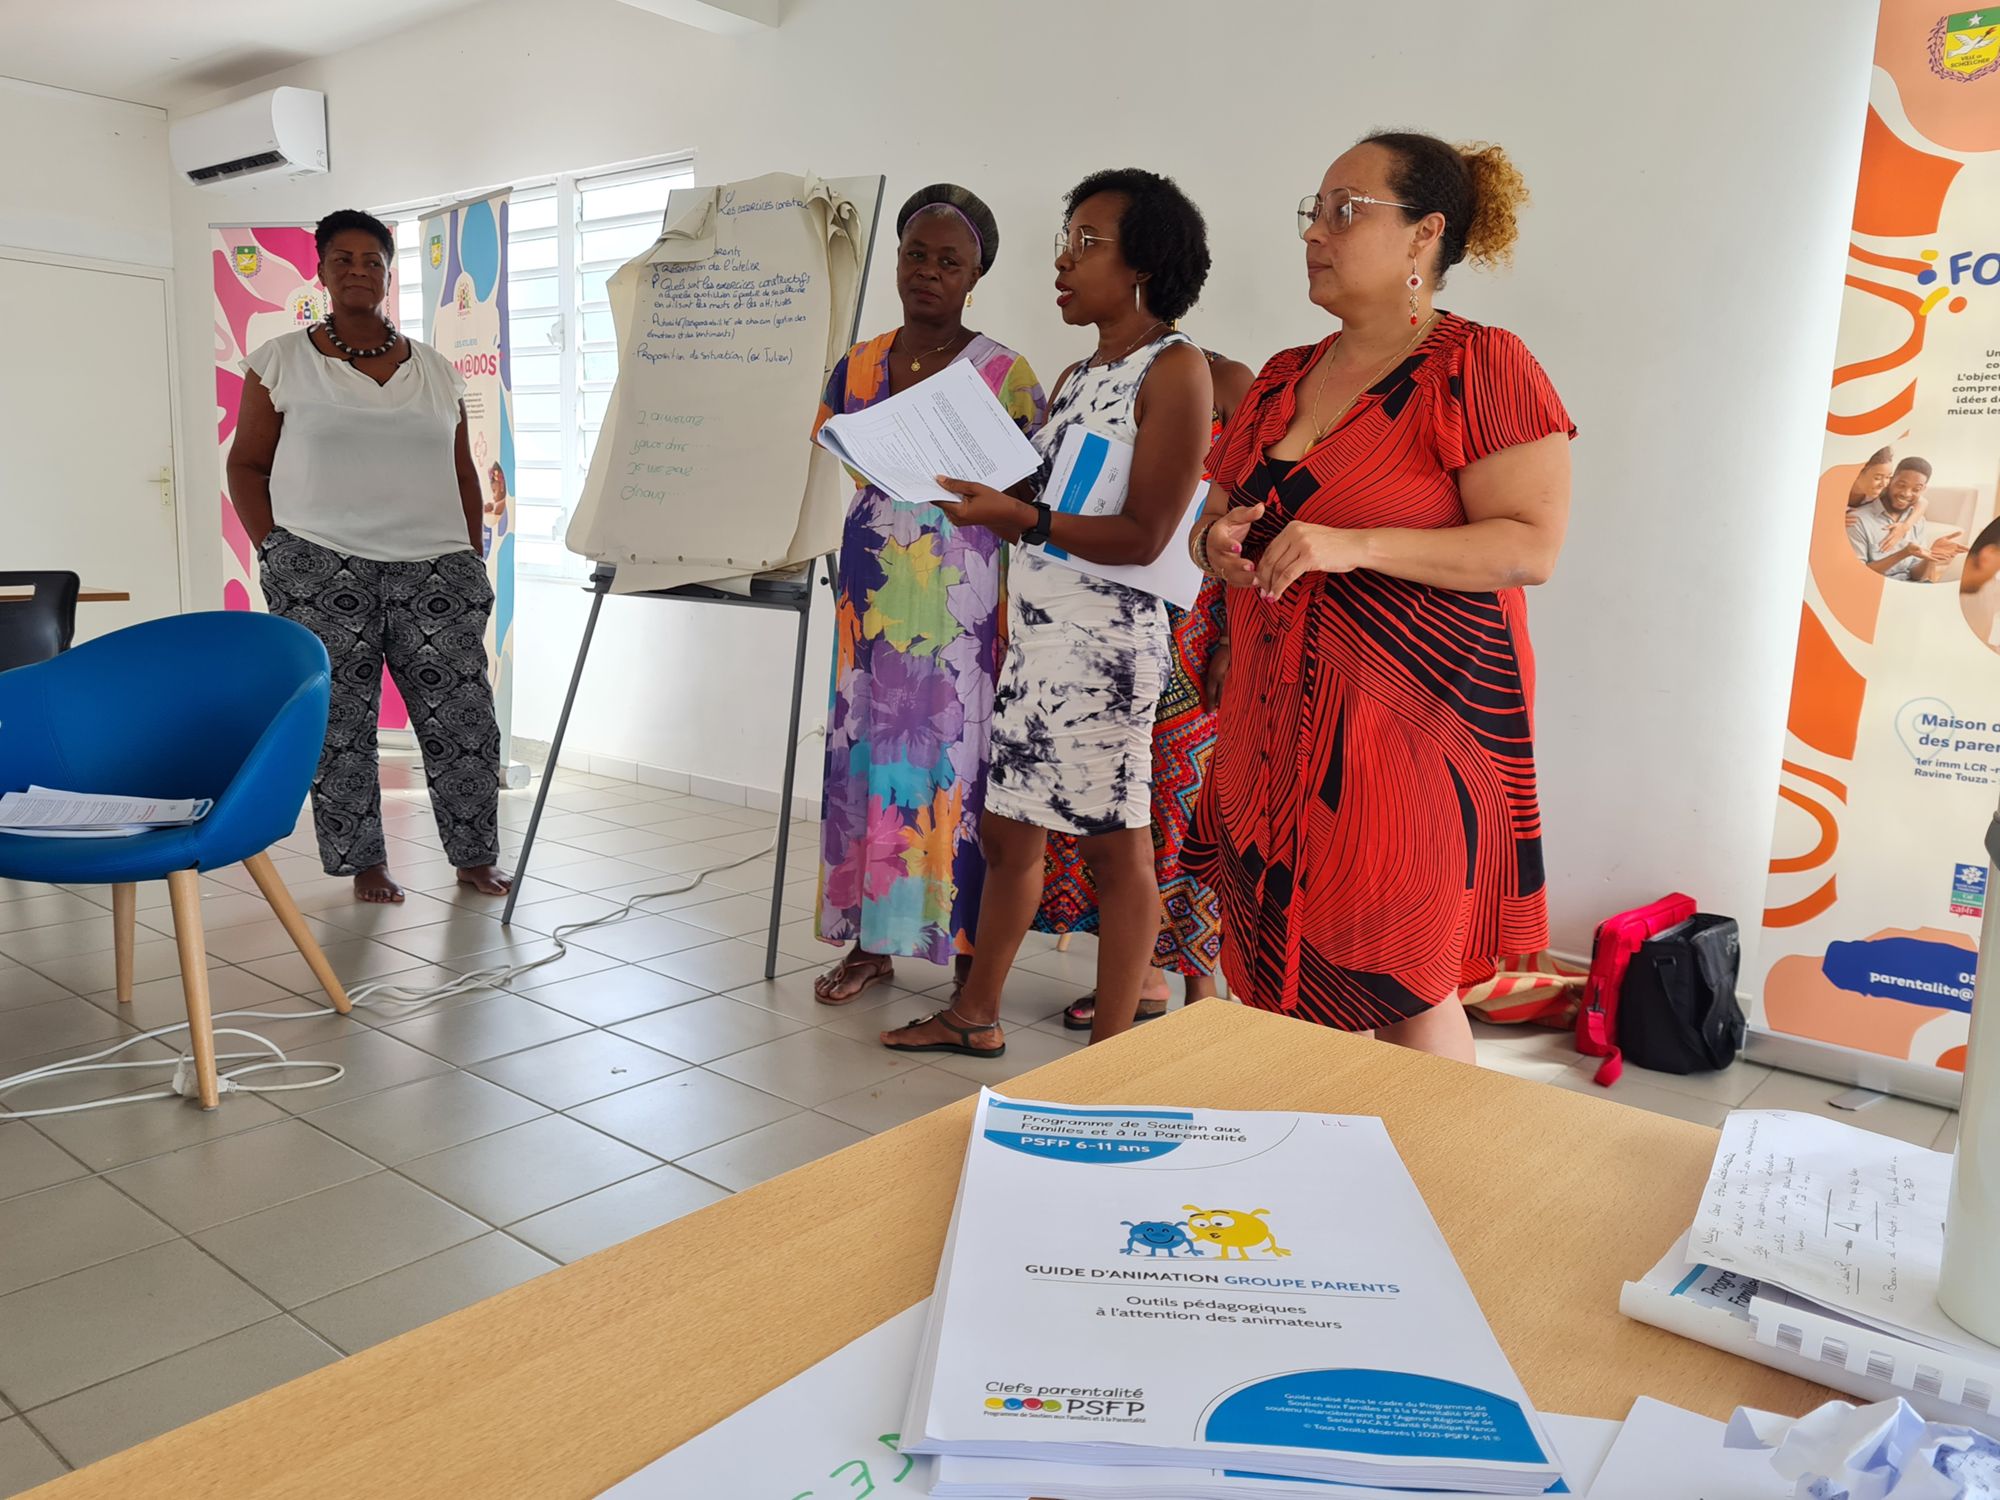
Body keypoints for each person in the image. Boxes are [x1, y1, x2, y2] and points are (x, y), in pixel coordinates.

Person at [1183, 133, 1575, 1064]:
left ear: (1422, 236)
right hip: (1268, 732)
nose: (1316, 233)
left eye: (1344, 211)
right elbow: (1214, 520)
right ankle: (1302, 1179)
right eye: (1313, 212)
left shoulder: (1479, 366)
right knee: (1265, 975)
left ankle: (1438, 1185)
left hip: (1407, 744)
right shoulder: (1281, 376)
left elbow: (1532, 545)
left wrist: (1354, 546)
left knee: (1403, 987)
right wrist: (1220, 546)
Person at [878, 167, 1214, 1055]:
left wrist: (1019, 516)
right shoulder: (1078, 373)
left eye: (1086, 243)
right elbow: (1057, 495)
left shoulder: (1173, 371)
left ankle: (1111, 1056)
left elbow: (1145, 535)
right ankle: (974, 1014)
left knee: (1116, 852)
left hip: (1105, 654)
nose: (1062, 262)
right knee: (1007, 833)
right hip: (1038, 640)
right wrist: (979, 483)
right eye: (1065, 241)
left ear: (1143, 262)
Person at [227, 209, 510, 905]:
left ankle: (474, 857)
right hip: (321, 567)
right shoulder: (279, 362)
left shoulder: (439, 372)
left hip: (435, 566)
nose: (359, 271)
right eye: (343, 259)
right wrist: (279, 553)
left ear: (388, 274)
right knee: (342, 726)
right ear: (321, 271)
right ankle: (365, 865)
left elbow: (465, 475)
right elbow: (247, 467)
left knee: (463, 720)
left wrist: (469, 557)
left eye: (372, 261)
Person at [811, 185, 1046, 1006]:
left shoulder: (1005, 373)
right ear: (898, 261)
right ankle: (870, 944)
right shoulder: (860, 364)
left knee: (958, 773)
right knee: (867, 764)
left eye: (951, 262)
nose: (930, 274)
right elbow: (844, 451)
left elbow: (1027, 493)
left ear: (975, 276)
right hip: (872, 598)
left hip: (961, 606)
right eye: (917, 255)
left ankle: (971, 959)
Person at [1036, 350, 1254, 1029]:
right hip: (1107, 620)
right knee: (1120, 809)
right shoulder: (1089, 376)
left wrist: (1230, 641)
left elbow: (1252, 514)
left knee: (1190, 814)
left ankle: (1204, 993)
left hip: (1195, 636)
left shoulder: (1227, 379)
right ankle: (1143, 980)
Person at [1849, 457, 1961, 581]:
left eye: (1916, 489)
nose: (1906, 493)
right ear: (1890, 482)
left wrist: (1931, 557)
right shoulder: (1857, 519)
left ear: (1923, 490)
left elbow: (1917, 576)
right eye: (1901, 485)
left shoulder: (1917, 520)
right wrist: (1904, 553)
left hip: (1911, 588)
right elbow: (1859, 574)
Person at [483, 461, 509, 558]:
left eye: (494, 491)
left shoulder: (498, 507)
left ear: (502, 487)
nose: (493, 496)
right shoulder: (495, 506)